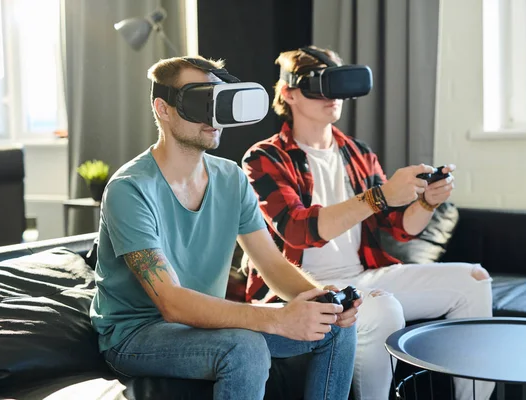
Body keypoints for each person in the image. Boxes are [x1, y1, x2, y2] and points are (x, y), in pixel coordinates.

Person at [89, 55, 361, 400]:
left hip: (204, 326)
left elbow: (273, 265)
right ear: (163, 108)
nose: (214, 116)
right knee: (244, 348)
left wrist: (322, 301)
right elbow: (172, 303)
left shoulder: (230, 177)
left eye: (219, 101)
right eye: (200, 102)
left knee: (335, 329)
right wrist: (277, 320)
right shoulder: (130, 188)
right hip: (136, 334)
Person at [241, 46, 495, 400]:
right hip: (303, 288)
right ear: (289, 94)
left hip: (362, 273)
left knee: (475, 280)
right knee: (384, 308)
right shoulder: (264, 157)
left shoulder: (358, 153)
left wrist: (426, 201)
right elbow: (298, 230)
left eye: (338, 84)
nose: (332, 96)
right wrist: (380, 196)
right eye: (320, 85)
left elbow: (401, 227)